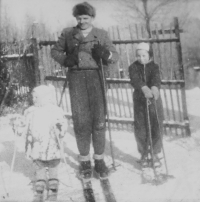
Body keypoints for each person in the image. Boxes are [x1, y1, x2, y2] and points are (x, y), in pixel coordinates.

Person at [51, 2, 119, 179]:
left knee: (98, 121)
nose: (82, 21)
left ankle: (99, 161)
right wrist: (66, 60)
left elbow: (114, 55)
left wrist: (105, 55)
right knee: (81, 121)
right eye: (79, 18)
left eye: (86, 18)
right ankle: (84, 162)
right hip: (77, 78)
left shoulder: (101, 34)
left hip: (97, 78)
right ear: (76, 18)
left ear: (92, 18)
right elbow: (55, 51)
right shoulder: (68, 33)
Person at [13, 85, 68, 202]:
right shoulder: (30, 112)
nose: (34, 99)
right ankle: (39, 189)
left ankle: (53, 189)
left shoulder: (55, 111)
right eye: (33, 97)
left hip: (52, 147)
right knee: (39, 168)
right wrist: (18, 127)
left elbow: (63, 125)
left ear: (46, 97)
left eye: (36, 97)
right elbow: (24, 129)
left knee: (53, 168)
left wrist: (61, 127)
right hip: (36, 147)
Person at [128, 42, 164, 167]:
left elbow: (156, 78)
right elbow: (135, 80)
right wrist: (144, 88)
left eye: (144, 55)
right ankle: (144, 152)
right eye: (138, 56)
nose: (141, 58)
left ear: (149, 55)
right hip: (139, 100)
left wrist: (154, 88)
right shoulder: (133, 67)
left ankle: (155, 152)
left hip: (154, 99)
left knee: (156, 125)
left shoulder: (154, 66)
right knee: (141, 128)